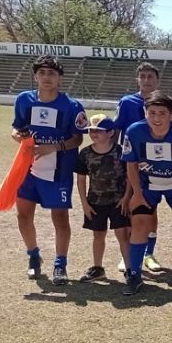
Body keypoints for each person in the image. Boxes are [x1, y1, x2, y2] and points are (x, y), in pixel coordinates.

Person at [12, 55, 87, 285]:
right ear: (35, 76)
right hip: (28, 168)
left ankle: (60, 265)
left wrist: (52, 147)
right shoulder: (24, 100)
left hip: (59, 170)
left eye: (52, 73)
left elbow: (77, 140)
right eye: (42, 73)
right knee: (23, 215)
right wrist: (18, 136)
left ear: (60, 79)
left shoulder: (72, 106)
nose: (47, 77)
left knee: (60, 218)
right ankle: (34, 256)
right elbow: (17, 129)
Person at [121, 91, 172, 295]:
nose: (157, 118)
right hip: (147, 185)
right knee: (139, 225)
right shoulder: (134, 131)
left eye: (162, 113)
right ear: (145, 113)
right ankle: (135, 275)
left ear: (171, 115)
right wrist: (136, 193)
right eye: (152, 112)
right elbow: (131, 164)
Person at [115, 62, 162, 273]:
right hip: (131, 164)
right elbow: (118, 132)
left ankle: (149, 253)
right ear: (137, 79)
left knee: (151, 209)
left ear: (157, 80)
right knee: (130, 208)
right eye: (142, 76)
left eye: (150, 76)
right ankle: (127, 253)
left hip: (155, 165)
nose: (146, 80)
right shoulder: (126, 102)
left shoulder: (163, 102)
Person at [76, 114, 131, 283]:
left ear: (110, 132)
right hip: (95, 201)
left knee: (123, 235)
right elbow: (80, 179)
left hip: (118, 202)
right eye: (91, 131)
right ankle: (98, 268)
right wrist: (84, 204)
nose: (94, 134)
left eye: (99, 131)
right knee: (98, 235)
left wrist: (127, 198)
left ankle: (131, 270)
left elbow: (130, 176)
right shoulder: (85, 153)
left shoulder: (121, 151)